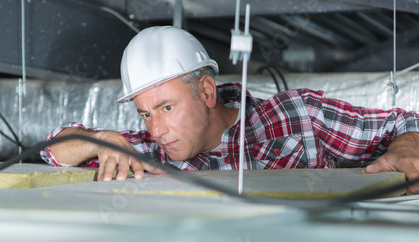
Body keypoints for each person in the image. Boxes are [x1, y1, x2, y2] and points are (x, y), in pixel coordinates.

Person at [41, 26, 419, 194]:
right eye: (145, 114)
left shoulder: (300, 117)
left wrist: (406, 146)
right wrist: (101, 140)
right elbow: (53, 151)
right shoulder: (145, 153)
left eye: (166, 107)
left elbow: (402, 123)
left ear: (206, 91)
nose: (156, 129)